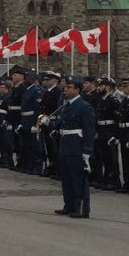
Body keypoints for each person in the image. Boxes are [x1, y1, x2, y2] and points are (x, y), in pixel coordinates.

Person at [51, 77, 96, 218]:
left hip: (76, 145)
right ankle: (69, 205)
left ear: (77, 89)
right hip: (65, 144)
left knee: (77, 178)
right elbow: (62, 123)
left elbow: (89, 130)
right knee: (66, 177)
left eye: (69, 87)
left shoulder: (84, 106)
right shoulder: (67, 105)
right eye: (66, 87)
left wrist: (87, 151)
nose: (66, 89)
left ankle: (80, 208)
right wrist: (50, 123)